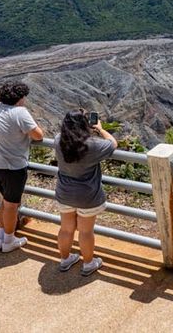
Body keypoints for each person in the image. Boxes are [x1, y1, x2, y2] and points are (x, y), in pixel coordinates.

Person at [54, 110, 117, 276]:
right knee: (85, 231)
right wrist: (100, 129)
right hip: (87, 196)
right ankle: (88, 264)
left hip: (65, 192)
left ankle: (65, 259)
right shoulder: (93, 145)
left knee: (66, 229)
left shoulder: (58, 140)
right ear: (84, 125)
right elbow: (113, 143)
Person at [0, 82, 43, 253]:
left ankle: (1, 236)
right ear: (19, 98)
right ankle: (9, 240)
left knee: (4, 202)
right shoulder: (19, 112)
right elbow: (38, 135)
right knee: (11, 205)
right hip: (12, 167)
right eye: (24, 97)